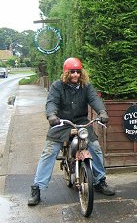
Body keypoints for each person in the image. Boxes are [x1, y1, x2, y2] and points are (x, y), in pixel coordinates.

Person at [28, 57, 115, 206]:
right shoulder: (57, 86)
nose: (75, 75)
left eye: (78, 72)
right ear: (66, 73)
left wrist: (102, 112)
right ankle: (37, 188)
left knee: (95, 147)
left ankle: (100, 181)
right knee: (49, 151)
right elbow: (52, 102)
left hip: (81, 123)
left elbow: (94, 99)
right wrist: (52, 115)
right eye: (72, 72)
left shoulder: (86, 86)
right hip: (61, 123)